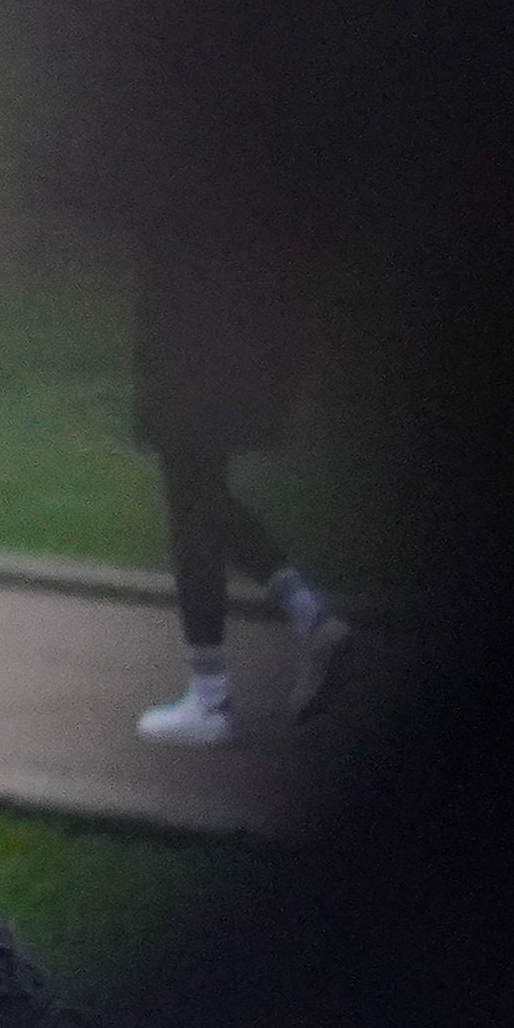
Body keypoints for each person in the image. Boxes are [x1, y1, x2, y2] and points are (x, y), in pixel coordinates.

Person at [129, 204, 353, 744]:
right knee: (202, 496)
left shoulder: (186, 159)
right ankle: (310, 619)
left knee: (190, 499)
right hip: (237, 331)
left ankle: (212, 697)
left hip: (193, 332)